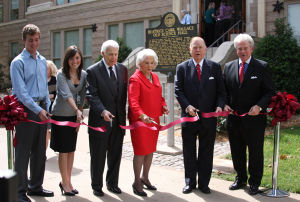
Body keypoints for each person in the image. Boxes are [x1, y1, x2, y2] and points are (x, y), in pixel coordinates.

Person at [223, 33, 275, 195]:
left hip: (254, 119)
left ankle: (254, 182)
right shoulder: (229, 66)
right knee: (236, 150)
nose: (242, 51)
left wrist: (259, 106)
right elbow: (224, 91)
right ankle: (240, 178)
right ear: (236, 50)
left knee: (255, 152)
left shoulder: (262, 66)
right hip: (234, 119)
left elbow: (269, 92)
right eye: (239, 49)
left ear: (251, 49)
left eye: (245, 48)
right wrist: (224, 103)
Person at [174, 37, 226, 194]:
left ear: (205, 49)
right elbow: (178, 90)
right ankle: (190, 182)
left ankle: (204, 183)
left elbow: (221, 92)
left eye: (200, 47)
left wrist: (219, 106)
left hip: (208, 119)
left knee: (206, 151)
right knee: (189, 151)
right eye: (194, 47)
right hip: (189, 117)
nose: (197, 50)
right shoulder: (182, 67)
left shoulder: (215, 67)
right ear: (190, 49)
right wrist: (187, 106)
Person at [10, 24, 54, 202]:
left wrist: (47, 106)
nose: (34, 44)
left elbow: (44, 87)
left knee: (39, 151)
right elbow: (21, 93)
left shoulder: (42, 61)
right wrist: (38, 109)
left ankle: (36, 186)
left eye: (36, 40)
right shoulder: (17, 63)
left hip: (42, 110)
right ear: (23, 40)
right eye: (30, 41)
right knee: (23, 153)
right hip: (25, 111)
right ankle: (19, 191)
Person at [86, 40, 128, 197]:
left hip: (118, 121)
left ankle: (112, 183)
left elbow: (123, 95)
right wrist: (102, 111)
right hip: (100, 121)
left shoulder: (123, 69)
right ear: (103, 53)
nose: (114, 57)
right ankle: (97, 185)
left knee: (115, 154)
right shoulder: (92, 71)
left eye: (116, 54)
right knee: (98, 156)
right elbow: (91, 95)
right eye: (110, 54)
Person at [128, 49, 169, 197]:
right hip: (140, 121)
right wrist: (141, 115)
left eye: (152, 63)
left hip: (154, 120)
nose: (150, 65)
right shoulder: (135, 79)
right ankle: (136, 182)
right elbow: (133, 102)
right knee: (140, 151)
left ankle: (145, 177)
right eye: (147, 63)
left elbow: (159, 95)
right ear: (139, 64)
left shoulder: (155, 77)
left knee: (150, 150)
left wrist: (163, 105)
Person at [50, 45, 86, 196]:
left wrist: (79, 113)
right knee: (63, 151)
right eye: (72, 58)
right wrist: (76, 111)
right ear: (67, 59)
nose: (75, 61)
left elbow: (82, 95)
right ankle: (64, 183)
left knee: (71, 150)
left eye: (77, 58)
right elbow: (66, 94)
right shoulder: (60, 74)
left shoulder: (83, 74)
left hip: (74, 116)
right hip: (60, 115)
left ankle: (68, 181)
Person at [45, 60, 57, 151]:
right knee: (46, 131)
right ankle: (43, 153)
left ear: (51, 70)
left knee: (51, 130)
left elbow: (58, 94)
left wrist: (51, 96)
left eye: (47, 69)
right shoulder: (40, 79)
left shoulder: (55, 80)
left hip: (53, 108)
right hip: (44, 108)